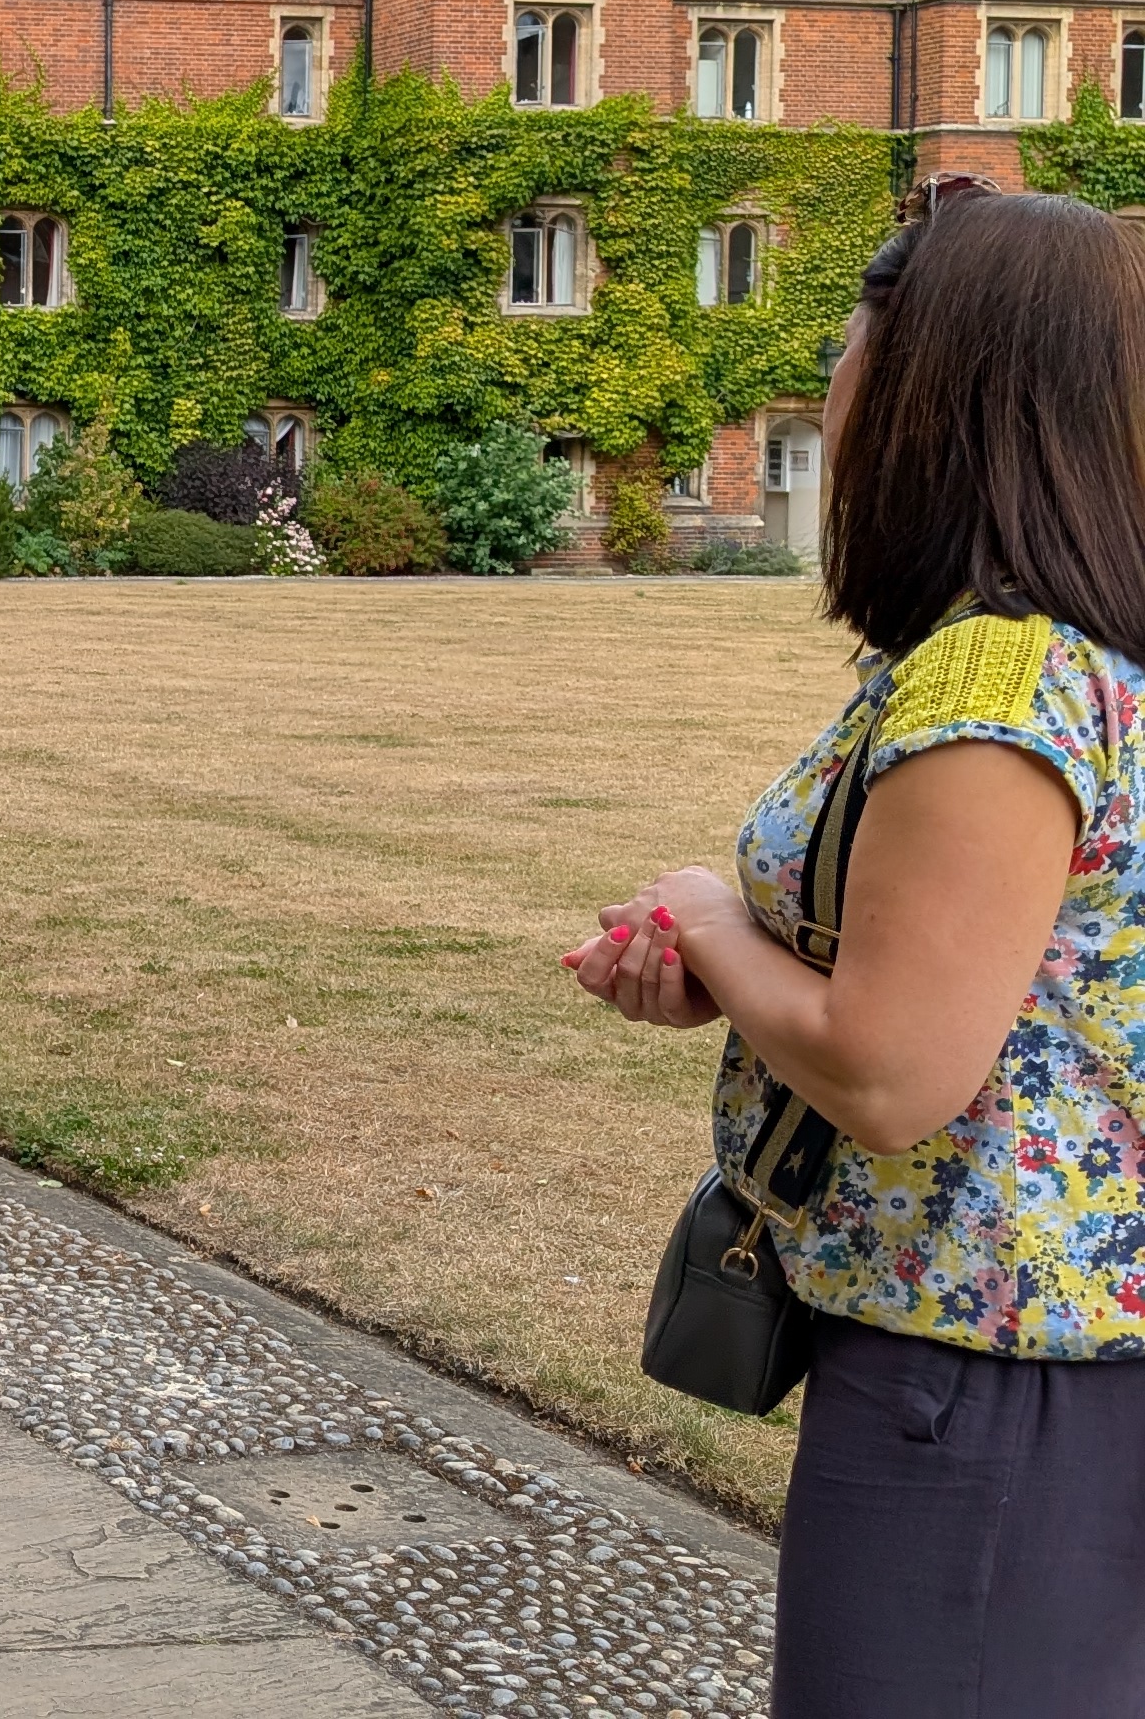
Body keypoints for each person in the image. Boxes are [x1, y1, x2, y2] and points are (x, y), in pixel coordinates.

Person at [562, 189, 1145, 1714]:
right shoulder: (1068, 656)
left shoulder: (995, 683)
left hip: (986, 1377)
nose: (834, 385)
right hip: (1046, 1362)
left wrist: (702, 916)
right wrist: (743, 973)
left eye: (848, 347)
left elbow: (892, 1075)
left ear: (939, 389)